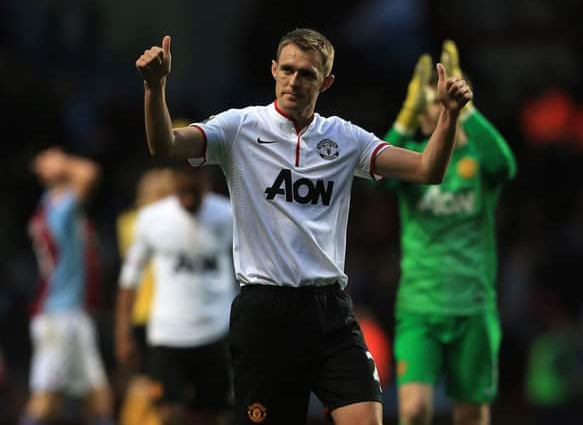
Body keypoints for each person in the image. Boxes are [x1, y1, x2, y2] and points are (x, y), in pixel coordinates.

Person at [135, 28, 472, 425]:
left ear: (325, 82)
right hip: (264, 313)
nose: (295, 81)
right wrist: (155, 88)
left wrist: (448, 115)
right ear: (274, 70)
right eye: (288, 70)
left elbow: (427, 169)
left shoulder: (344, 138)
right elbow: (165, 145)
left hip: (329, 310)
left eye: (307, 74)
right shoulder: (239, 128)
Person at [380, 41, 517, 425]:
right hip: (419, 307)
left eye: (432, 105)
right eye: (422, 109)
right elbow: (378, 181)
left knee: (471, 414)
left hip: (472, 304)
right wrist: (404, 118)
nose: (427, 115)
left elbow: (505, 165)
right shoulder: (413, 162)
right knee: (414, 410)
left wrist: (466, 110)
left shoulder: (479, 159)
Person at [115, 166, 235, 425]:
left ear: (206, 183)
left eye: (194, 193)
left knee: (214, 415)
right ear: (173, 185)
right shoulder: (150, 219)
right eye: (182, 193)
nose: (189, 200)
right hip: (167, 335)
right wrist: (122, 333)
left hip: (217, 332)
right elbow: (129, 278)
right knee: (168, 414)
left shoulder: (228, 214)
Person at [23, 148, 114, 425]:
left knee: (99, 396)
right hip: (58, 315)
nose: (59, 157)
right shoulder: (58, 209)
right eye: (51, 157)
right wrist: (63, 163)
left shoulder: (52, 203)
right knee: (46, 399)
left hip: (74, 312)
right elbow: (90, 172)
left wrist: (55, 164)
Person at [116, 168, 174, 425]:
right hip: (160, 313)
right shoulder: (161, 224)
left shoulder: (128, 221)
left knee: (149, 384)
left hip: (140, 313)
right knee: (155, 387)